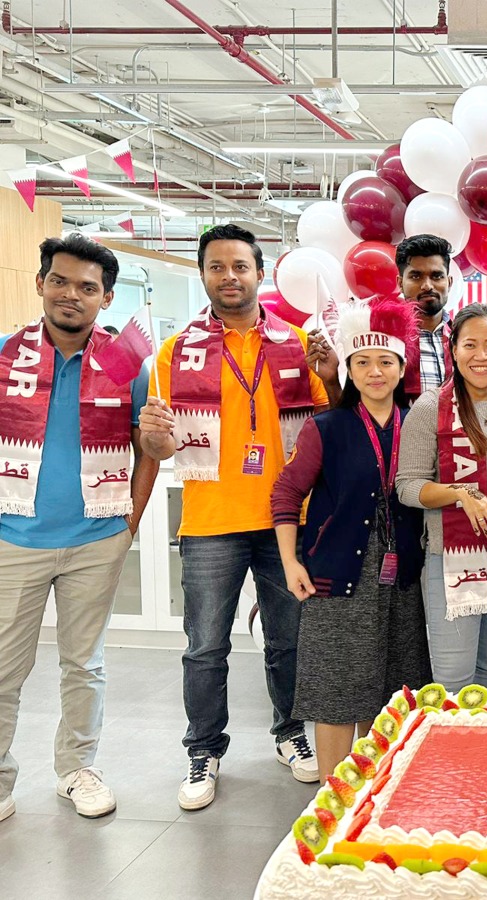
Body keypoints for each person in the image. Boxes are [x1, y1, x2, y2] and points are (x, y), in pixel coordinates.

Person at [139, 224, 328, 811]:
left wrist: (337, 371)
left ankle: (290, 733)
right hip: (210, 521)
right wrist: (154, 443)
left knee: (289, 641)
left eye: (240, 266)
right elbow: (162, 446)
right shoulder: (176, 353)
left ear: (259, 272)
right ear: (202, 275)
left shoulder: (298, 345)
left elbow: (328, 427)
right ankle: (202, 749)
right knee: (205, 647)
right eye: (217, 267)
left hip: (285, 521)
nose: (229, 277)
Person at [0, 235, 157, 822]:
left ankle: (76, 769)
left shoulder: (128, 365)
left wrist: (130, 520)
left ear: (106, 297)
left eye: (87, 287)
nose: (71, 295)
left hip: (97, 538)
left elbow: (149, 447)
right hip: (15, 537)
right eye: (60, 282)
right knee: (3, 667)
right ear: (40, 283)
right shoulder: (3, 355)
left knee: (83, 664)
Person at [270, 299, 431, 781]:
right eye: (362, 362)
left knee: (388, 684)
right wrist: (290, 562)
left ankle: (375, 787)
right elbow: (286, 491)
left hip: (402, 576)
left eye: (386, 361)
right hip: (338, 573)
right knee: (337, 687)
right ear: (348, 369)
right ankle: (332, 796)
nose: (374, 371)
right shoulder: (327, 427)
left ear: (403, 368)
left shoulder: (419, 423)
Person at [397, 303, 487, 692]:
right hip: (452, 558)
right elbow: (407, 486)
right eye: (470, 344)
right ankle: (451, 754)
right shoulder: (429, 409)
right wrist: (460, 494)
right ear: (452, 350)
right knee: (454, 679)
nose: (481, 355)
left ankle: (483, 754)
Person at [397, 234, 455, 398]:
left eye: (437, 276)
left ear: (449, 282)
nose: (427, 286)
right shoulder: (387, 337)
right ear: (400, 283)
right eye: (416, 276)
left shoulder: (464, 336)